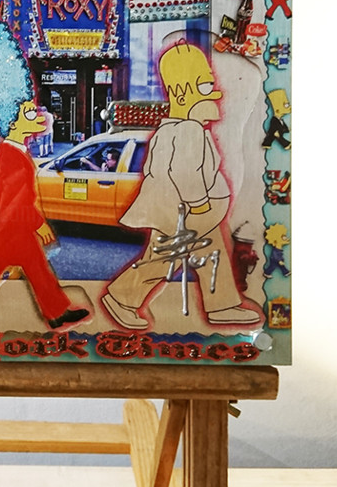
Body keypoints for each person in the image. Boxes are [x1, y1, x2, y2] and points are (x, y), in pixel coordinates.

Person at [101, 42, 262, 329]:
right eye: (205, 86)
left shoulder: (175, 129)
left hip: (190, 213)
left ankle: (222, 305)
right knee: (163, 259)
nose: (215, 93)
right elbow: (185, 173)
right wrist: (199, 205)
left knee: (211, 255)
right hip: (187, 213)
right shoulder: (187, 130)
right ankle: (122, 299)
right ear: (181, 92)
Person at [0, 11, 90, 333]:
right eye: (29, 112)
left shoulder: (14, 151)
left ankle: (55, 312)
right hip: (10, 227)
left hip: (13, 227)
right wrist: (38, 222)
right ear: (13, 120)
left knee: (32, 267)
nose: (37, 116)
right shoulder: (11, 156)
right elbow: (17, 198)